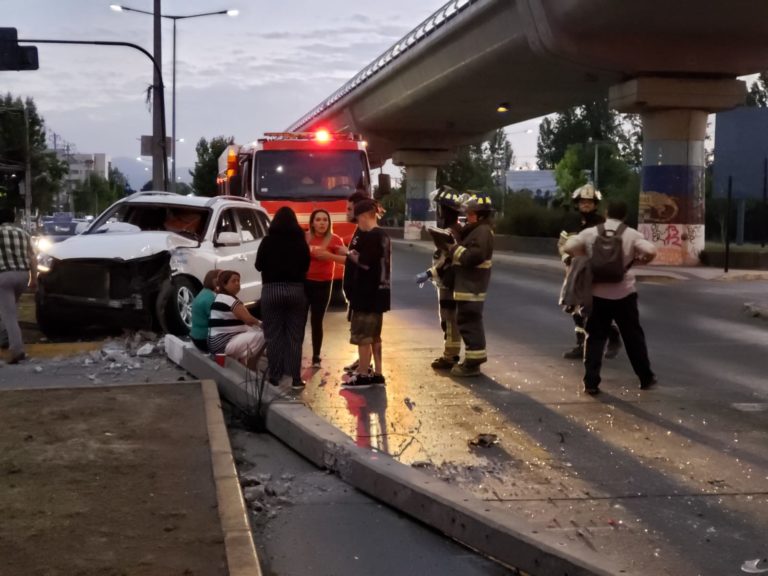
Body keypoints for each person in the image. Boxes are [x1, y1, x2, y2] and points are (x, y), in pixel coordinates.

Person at [563, 200, 658, 395]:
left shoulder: (591, 232)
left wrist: (583, 255)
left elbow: (569, 246)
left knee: (595, 337)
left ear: (606, 213)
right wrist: (641, 260)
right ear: (624, 216)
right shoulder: (631, 234)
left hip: (597, 295)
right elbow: (650, 250)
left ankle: (591, 382)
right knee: (633, 337)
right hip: (625, 294)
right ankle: (645, 378)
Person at [558, 183, 622, 360]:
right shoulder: (570, 221)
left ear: (595, 204)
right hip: (574, 271)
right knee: (575, 307)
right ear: (577, 203)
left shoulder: (602, 223)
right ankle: (581, 344)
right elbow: (562, 244)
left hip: (595, 272)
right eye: (583, 201)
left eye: (590, 202)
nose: (586, 204)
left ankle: (613, 334)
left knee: (593, 309)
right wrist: (566, 258)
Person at [255, 206, 310, 389]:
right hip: (296, 291)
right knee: (295, 336)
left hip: (271, 291)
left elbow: (258, 265)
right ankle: (295, 378)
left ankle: (275, 376)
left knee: (274, 335)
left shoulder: (267, 241)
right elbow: (306, 267)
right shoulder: (300, 242)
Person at [341, 198, 391, 388]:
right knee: (375, 336)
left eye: (357, 217)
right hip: (379, 294)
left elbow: (365, 262)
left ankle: (362, 373)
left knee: (363, 336)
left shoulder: (372, 236)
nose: (357, 222)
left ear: (364, 215)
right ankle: (377, 372)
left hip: (366, 294)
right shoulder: (384, 235)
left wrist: (347, 252)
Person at [415, 186, 464, 370]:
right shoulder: (454, 229)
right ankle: (450, 353)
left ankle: (450, 356)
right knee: (448, 320)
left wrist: (428, 274)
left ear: (446, 210)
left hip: (449, 284)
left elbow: (446, 261)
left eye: (440, 208)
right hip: (446, 283)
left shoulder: (451, 232)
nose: (438, 213)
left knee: (449, 320)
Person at [447, 191, 494, 377]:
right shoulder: (478, 230)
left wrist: (454, 249)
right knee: (467, 322)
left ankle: (473, 364)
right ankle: (473, 360)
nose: (468, 216)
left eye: (472, 213)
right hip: (468, 285)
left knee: (470, 323)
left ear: (481, 215)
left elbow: (474, 256)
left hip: (472, 286)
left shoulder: (482, 231)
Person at [305, 209, 345, 367]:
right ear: (312, 223)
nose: (322, 223)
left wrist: (330, 256)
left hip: (324, 284)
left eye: (325, 220)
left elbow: (346, 259)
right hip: (305, 282)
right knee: (300, 320)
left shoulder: (335, 239)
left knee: (317, 320)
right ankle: (295, 354)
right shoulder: (305, 237)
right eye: (318, 220)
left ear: (329, 223)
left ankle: (316, 356)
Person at [0, 207, 36, 364]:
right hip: (22, 276)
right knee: (7, 309)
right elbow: (32, 257)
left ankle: (17, 350)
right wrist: (34, 279)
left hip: (3, 276)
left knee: (9, 315)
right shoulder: (24, 233)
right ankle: (4, 338)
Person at [207, 270, 264, 367]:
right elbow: (248, 319)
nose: (237, 283)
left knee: (253, 331)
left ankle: (244, 360)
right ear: (224, 284)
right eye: (234, 281)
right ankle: (251, 365)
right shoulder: (228, 299)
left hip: (217, 343)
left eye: (238, 281)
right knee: (267, 334)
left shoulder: (221, 297)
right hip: (224, 344)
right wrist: (263, 324)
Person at [189, 269, 219, 352]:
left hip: (195, 335)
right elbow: (216, 320)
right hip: (203, 338)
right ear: (215, 281)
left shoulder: (203, 292)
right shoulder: (210, 297)